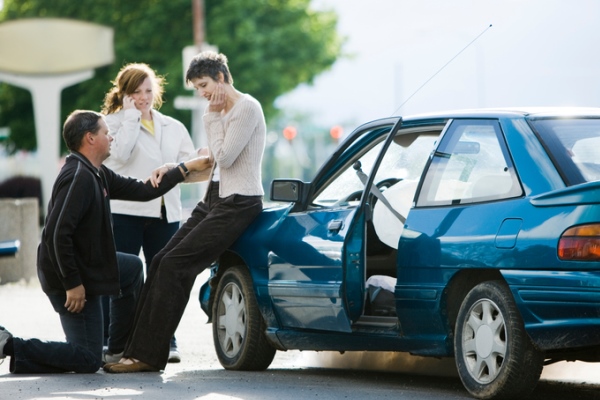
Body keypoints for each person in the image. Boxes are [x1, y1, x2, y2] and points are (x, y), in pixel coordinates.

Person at [0, 110, 211, 373]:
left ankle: (118, 349)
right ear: (90, 138)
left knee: (132, 268)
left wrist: (182, 168)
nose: (111, 137)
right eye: (105, 133)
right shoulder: (77, 177)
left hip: (89, 269)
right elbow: (56, 235)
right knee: (87, 359)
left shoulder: (97, 172)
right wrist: (72, 284)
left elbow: (144, 190)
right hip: (68, 278)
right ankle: (9, 344)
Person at [104, 51, 266, 373]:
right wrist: (174, 169)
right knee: (162, 260)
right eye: (197, 88)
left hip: (239, 202)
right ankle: (135, 351)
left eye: (204, 85)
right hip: (214, 199)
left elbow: (227, 156)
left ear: (220, 78)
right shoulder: (220, 112)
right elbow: (213, 165)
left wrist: (212, 116)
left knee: (176, 265)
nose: (202, 93)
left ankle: (148, 356)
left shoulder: (246, 108)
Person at [100, 63, 198, 364]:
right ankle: (112, 342)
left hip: (164, 213)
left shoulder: (173, 126)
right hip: (125, 212)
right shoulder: (110, 123)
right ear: (125, 93)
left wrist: (176, 170)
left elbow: (190, 166)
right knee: (116, 278)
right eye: (136, 92)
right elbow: (119, 155)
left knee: (163, 277)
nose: (144, 97)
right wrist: (131, 118)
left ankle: (166, 341)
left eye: (148, 90)